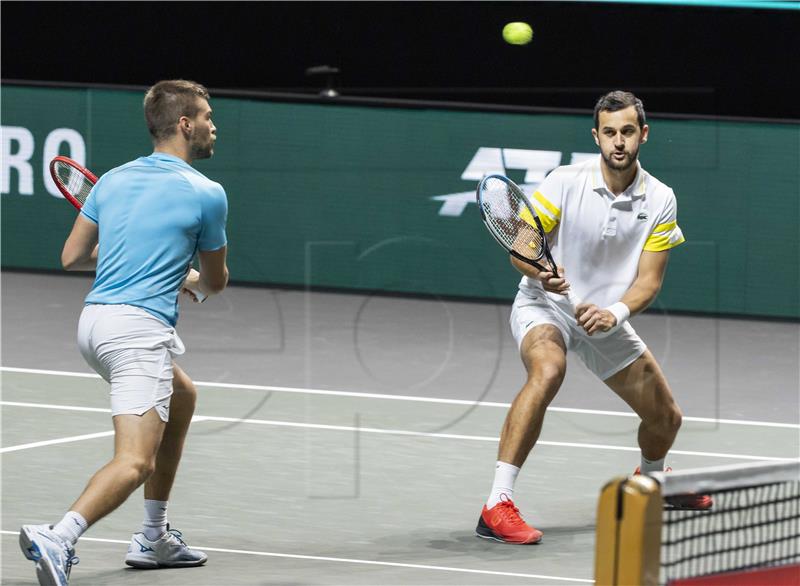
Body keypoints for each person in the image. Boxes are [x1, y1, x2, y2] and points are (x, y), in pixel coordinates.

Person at [476, 90, 710, 545]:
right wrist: (541, 273)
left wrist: (614, 313)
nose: (617, 142)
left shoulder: (661, 198)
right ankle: (496, 504)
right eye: (608, 133)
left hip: (606, 318)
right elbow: (524, 247)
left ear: (643, 134)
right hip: (545, 306)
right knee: (549, 370)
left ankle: (651, 482)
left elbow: (648, 281)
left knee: (666, 419)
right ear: (596, 136)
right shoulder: (565, 180)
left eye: (626, 131)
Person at [19, 79, 229, 584]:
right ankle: (60, 535)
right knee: (134, 461)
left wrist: (143, 260)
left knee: (182, 396)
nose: (213, 126)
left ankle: (153, 537)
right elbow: (216, 280)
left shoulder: (112, 179)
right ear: (184, 124)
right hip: (137, 331)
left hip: (94, 326)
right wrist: (192, 281)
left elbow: (72, 257)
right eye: (206, 116)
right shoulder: (207, 193)